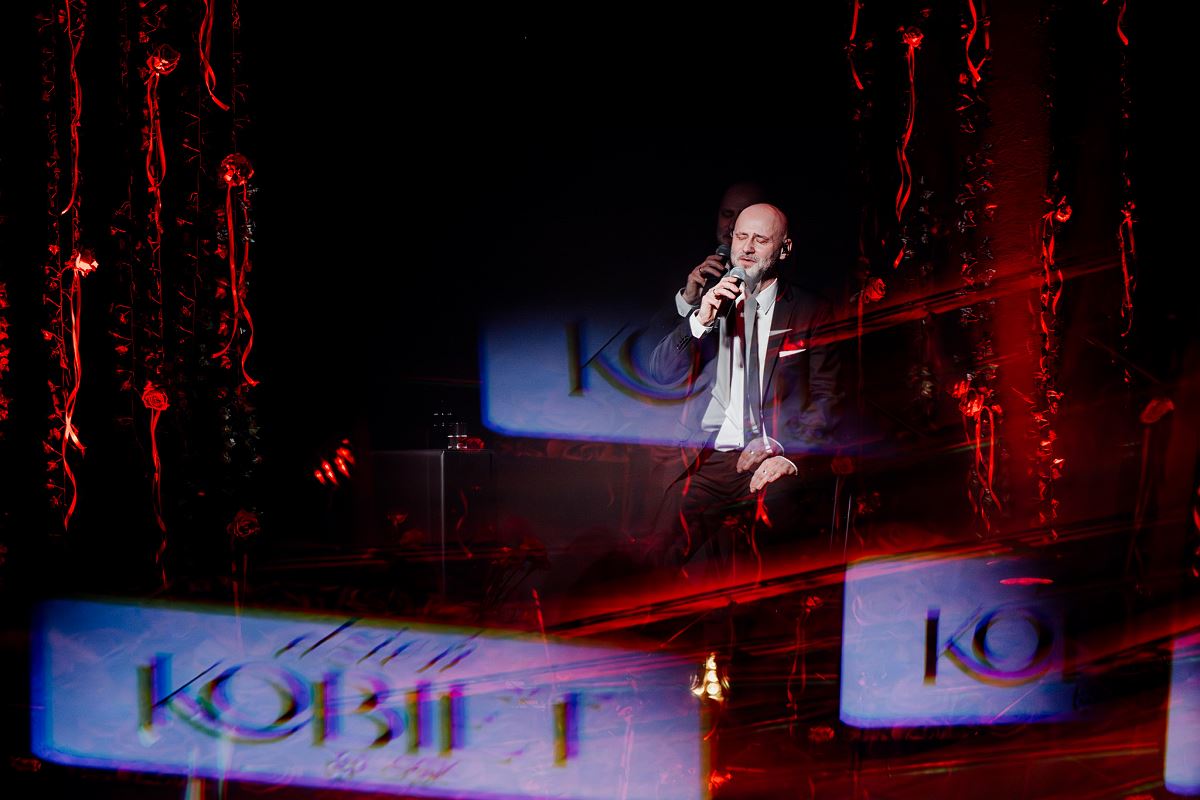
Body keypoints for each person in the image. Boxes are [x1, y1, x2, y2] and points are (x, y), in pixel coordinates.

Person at [645, 202, 842, 581]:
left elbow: (828, 397)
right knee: (655, 560)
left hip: (771, 456)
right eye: (740, 237)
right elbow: (660, 374)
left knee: (773, 558)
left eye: (760, 240)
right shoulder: (711, 303)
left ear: (784, 249)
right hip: (707, 458)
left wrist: (789, 452)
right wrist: (700, 320)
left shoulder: (811, 310)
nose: (747, 248)